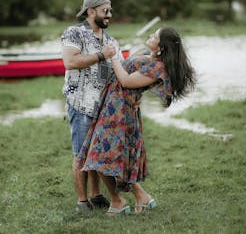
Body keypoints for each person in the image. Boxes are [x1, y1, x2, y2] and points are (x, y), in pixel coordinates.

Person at [78, 27, 196, 215]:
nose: (151, 36)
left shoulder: (157, 68)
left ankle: (119, 200)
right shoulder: (150, 59)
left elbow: (125, 81)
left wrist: (114, 55)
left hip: (120, 112)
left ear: (162, 46)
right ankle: (140, 197)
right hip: (113, 107)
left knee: (98, 156)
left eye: (155, 36)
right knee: (105, 156)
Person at [61, 0, 123, 212]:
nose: (109, 15)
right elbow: (70, 61)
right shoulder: (74, 33)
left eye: (110, 11)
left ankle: (96, 196)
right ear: (91, 11)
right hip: (81, 104)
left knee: (96, 153)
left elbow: (121, 71)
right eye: (105, 11)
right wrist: (101, 55)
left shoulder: (110, 40)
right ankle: (82, 201)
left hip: (104, 108)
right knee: (81, 154)